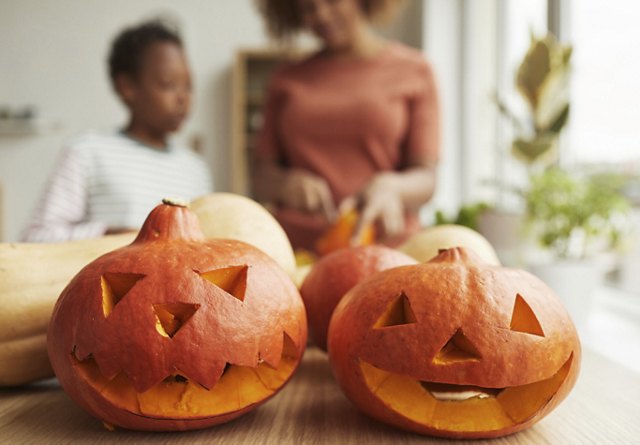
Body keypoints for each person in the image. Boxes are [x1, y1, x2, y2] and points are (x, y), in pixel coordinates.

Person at [253, 0, 440, 252]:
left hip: (388, 249)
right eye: (308, 8)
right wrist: (286, 184)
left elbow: (426, 176)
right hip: (297, 251)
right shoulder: (285, 78)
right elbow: (260, 177)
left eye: (332, 1)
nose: (321, 15)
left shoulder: (415, 70)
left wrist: (391, 187)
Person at [22, 19, 213, 242]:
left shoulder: (196, 170)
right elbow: (34, 237)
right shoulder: (87, 152)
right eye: (168, 84)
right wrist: (108, 236)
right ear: (127, 87)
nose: (183, 98)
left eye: (188, 86)